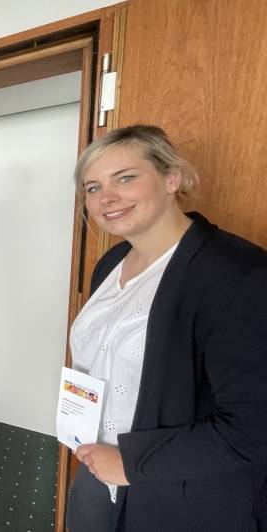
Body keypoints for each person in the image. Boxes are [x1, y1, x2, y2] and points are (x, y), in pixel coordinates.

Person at [66, 125, 267, 531]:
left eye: (125, 178)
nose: (106, 198)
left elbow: (253, 430)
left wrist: (130, 462)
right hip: (95, 464)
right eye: (92, 187)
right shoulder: (112, 262)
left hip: (175, 493)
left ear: (171, 178)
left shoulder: (238, 275)